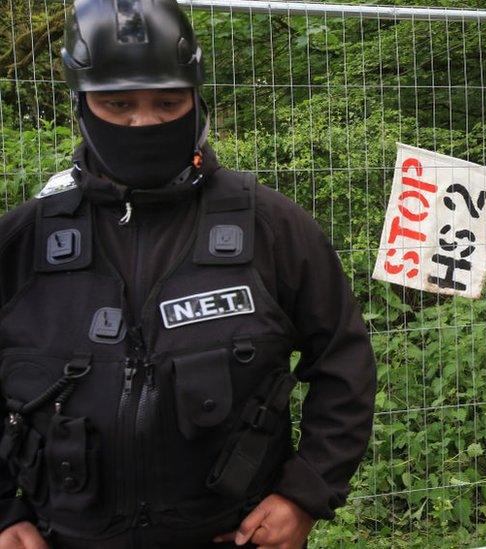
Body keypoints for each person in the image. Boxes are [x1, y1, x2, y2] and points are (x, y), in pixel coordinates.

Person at [0, 1, 376, 547]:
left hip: (232, 533)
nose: (144, 121)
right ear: (81, 106)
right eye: (119, 103)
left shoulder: (271, 226)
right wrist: (6, 511)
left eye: (167, 101)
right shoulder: (25, 240)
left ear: (197, 99)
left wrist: (303, 495)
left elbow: (343, 361)